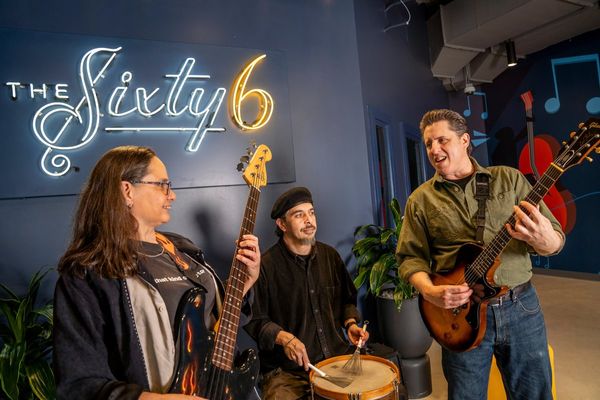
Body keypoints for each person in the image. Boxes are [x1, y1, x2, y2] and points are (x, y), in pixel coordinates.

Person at [53, 145, 261, 400]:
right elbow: (78, 384)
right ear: (127, 191)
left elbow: (212, 327)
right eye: (162, 184)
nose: (172, 195)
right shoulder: (87, 273)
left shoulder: (182, 248)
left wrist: (243, 285)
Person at [396, 109, 564, 400]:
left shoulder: (509, 180)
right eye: (428, 143)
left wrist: (545, 240)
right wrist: (430, 292)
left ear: (464, 140)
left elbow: (555, 239)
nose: (434, 149)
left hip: (520, 308)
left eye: (442, 140)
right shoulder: (420, 200)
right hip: (459, 317)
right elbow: (410, 258)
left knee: (535, 394)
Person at [244, 187, 369, 399]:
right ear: (282, 224)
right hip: (288, 372)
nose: (308, 220)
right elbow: (254, 319)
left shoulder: (330, 256)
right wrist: (284, 338)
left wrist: (350, 324)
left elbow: (346, 301)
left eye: (311, 213)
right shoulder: (264, 266)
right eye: (299, 215)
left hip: (336, 359)